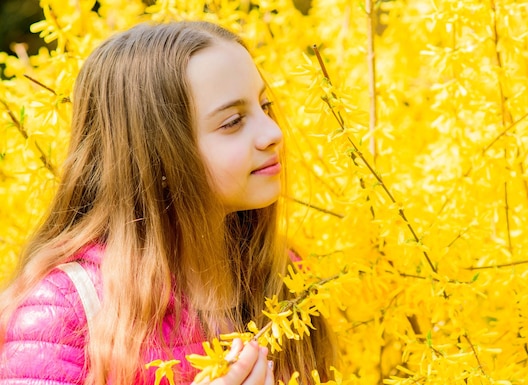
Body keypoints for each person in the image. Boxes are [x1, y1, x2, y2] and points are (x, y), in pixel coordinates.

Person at [0, 21, 336, 385]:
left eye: (265, 105)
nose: (274, 133)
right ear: (156, 157)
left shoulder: (283, 276)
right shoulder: (64, 312)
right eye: (233, 121)